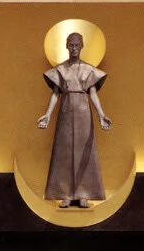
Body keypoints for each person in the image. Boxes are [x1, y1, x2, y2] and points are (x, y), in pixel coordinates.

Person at [37, 32, 112, 208]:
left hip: (84, 113)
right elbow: (55, 94)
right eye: (71, 45)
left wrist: (101, 114)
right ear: (66, 46)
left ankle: (83, 194)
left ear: (82, 46)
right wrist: (47, 114)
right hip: (65, 111)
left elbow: (93, 94)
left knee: (84, 152)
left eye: (77, 45)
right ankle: (66, 194)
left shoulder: (88, 70)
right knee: (64, 152)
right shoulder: (61, 70)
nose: (74, 48)